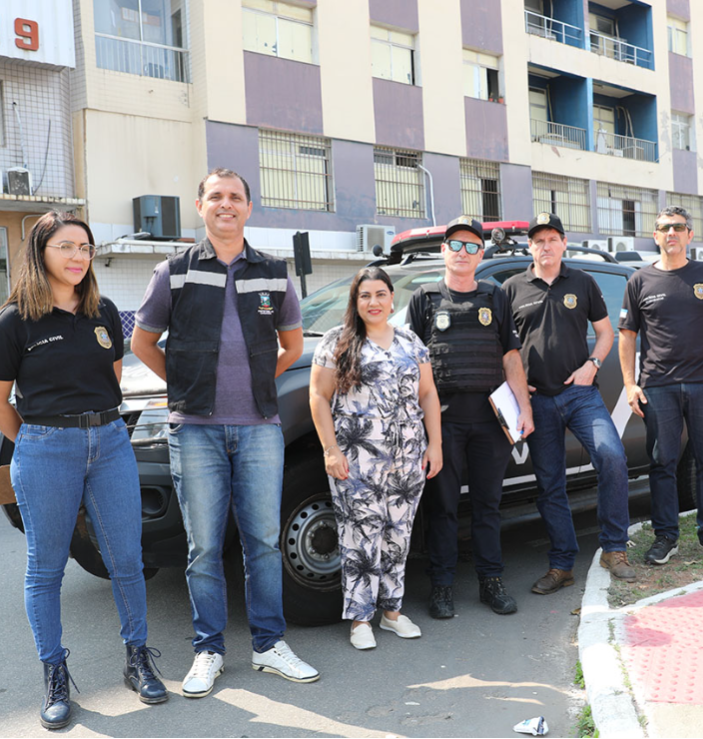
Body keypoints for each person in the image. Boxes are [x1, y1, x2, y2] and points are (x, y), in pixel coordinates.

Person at [131, 169, 319, 696]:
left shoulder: (274, 272)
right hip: (195, 430)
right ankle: (208, 650)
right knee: (203, 548)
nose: (226, 205)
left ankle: (268, 645)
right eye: (216, 197)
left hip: (259, 428)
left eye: (235, 197)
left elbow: (293, 346)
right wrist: (188, 385)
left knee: (262, 543)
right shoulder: (174, 273)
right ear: (200, 206)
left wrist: (262, 384)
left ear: (249, 208)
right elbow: (144, 344)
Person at [0, 211, 167, 730]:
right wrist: (39, 443)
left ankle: (137, 660)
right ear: (41, 252)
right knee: (46, 569)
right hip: (45, 447)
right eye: (66, 247)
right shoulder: (14, 321)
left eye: (85, 247)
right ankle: (56, 676)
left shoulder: (103, 310)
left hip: (110, 442)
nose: (78, 257)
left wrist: (88, 435)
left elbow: (109, 381)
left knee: (126, 559)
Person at [406, 216, 534, 619]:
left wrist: (524, 408)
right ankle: (441, 586)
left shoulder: (495, 297)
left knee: (487, 504)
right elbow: (412, 362)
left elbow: (510, 356)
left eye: (471, 246)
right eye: (455, 245)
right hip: (441, 422)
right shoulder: (424, 298)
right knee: (442, 506)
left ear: (481, 253)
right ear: (443, 250)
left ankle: (490, 581)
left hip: (488, 420)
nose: (463, 252)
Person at [309, 267, 443, 650]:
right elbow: (318, 397)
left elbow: (428, 394)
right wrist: (330, 449)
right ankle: (360, 619)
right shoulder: (336, 341)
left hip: (408, 456)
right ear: (355, 301)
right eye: (365, 295)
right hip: (356, 457)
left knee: (398, 535)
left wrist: (435, 445)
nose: (374, 302)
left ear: (392, 298)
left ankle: (392, 613)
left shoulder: (410, 341)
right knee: (359, 535)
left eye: (381, 294)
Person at [502, 212, 636, 592]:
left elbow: (606, 334)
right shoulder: (512, 288)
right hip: (537, 401)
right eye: (538, 240)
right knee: (549, 484)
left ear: (563, 243)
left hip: (580, 395)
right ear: (530, 246)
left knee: (612, 456)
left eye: (552, 239)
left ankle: (614, 548)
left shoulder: (583, 281)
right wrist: (515, 385)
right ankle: (562, 564)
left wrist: (592, 365)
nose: (546, 246)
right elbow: (503, 348)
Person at [618, 206, 703, 566]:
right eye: (664, 228)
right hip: (657, 385)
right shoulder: (639, 281)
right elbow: (627, 337)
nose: (671, 233)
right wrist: (630, 384)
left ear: (689, 235)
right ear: (656, 236)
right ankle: (666, 537)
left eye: (678, 227)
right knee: (662, 463)